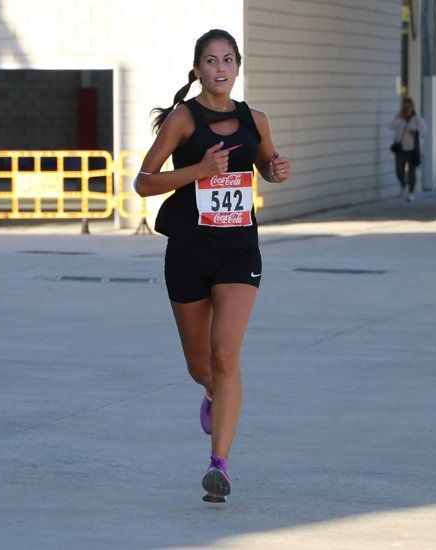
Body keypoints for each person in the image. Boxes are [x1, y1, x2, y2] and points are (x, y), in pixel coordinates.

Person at [136, 29, 291, 503]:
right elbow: (144, 183)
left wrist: (275, 170)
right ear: (198, 69)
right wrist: (199, 172)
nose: (220, 69)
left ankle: (218, 466)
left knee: (226, 357)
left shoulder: (256, 119)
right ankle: (210, 394)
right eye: (210, 61)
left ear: (238, 67)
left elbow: (264, 164)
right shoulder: (184, 119)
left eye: (227, 60)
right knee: (200, 366)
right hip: (188, 250)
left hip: (238, 250)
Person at [389, 97, 427, 202]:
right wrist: (400, 119)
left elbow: (424, 131)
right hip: (401, 149)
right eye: (405, 107)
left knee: (412, 172)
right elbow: (390, 126)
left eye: (408, 107)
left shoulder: (417, 119)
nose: (407, 109)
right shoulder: (399, 118)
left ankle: (410, 192)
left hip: (412, 150)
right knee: (399, 171)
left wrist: (416, 133)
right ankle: (403, 184)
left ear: (412, 108)